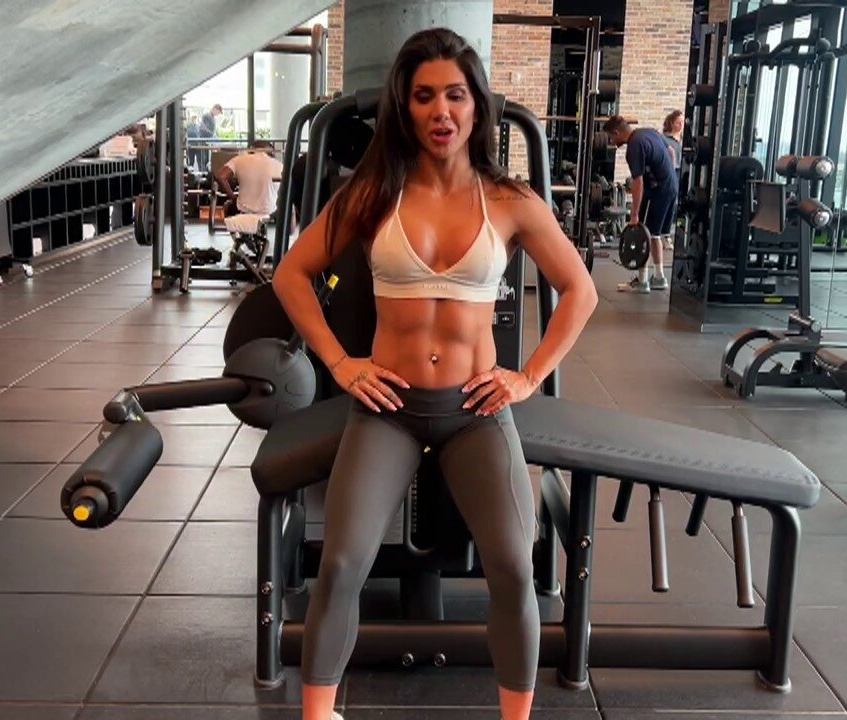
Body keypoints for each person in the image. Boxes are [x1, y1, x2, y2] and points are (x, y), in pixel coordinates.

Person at [272, 27, 598, 720]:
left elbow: (580, 290)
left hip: (475, 411)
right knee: (341, 563)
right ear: (406, 107)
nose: (441, 111)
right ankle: (318, 715)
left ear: (477, 105)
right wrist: (339, 362)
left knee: (512, 564)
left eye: (455, 95)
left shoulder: (510, 201)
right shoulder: (373, 193)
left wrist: (528, 375)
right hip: (387, 409)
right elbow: (292, 275)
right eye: (424, 97)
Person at [603, 114, 678, 293]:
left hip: (657, 191)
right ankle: (659, 277)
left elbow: (638, 183)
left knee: (643, 232)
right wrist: (667, 173)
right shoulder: (649, 132)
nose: (611, 142)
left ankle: (642, 281)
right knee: (655, 234)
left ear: (616, 133)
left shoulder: (634, 147)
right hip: (671, 186)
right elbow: (671, 152)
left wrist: (634, 214)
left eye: (611, 137)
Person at [214, 140, 284, 218]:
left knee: (227, 205)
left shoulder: (239, 159)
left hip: (243, 211)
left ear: (251, 149)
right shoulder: (279, 165)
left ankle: (232, 225)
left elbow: (220, 176)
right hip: (269, 211)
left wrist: (233, 197)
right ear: (271, 151)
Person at [661, 110, 685, 251]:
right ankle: (665, 235)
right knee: (669, 204)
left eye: (682, 122)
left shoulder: (683, 141)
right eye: (678, 122)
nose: (681, 125)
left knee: (677, 205)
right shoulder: (664, 140)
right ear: (671, 123)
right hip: (670, 174)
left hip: (681, 173)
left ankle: (674, 234)